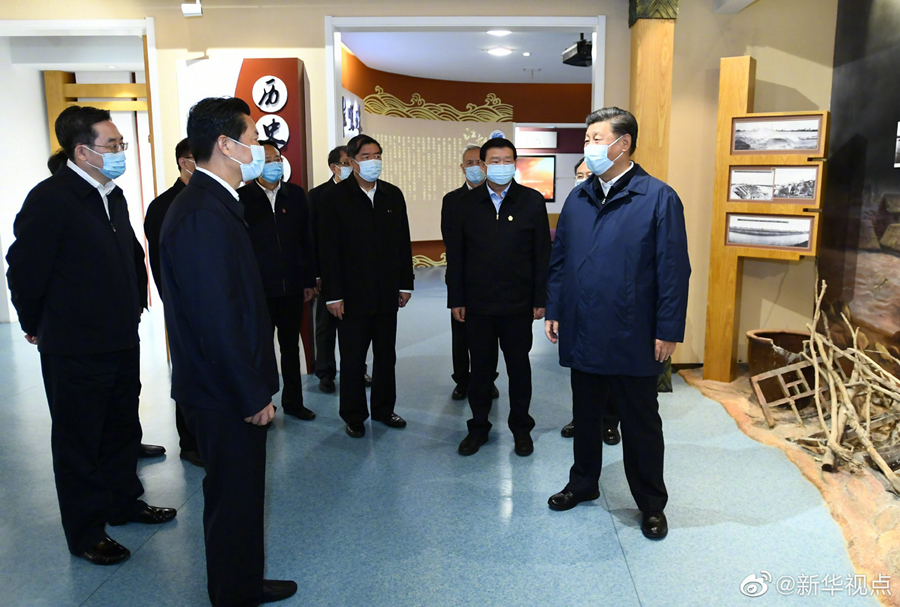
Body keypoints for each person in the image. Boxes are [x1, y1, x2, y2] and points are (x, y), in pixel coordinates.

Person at [6, 105, 176, 566]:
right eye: (113, 145)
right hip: (74, 345)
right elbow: (24, 270)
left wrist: (135, 302)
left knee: (121, 428)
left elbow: (127, 252)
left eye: (122, 144)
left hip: (119, 336)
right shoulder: (51, 199)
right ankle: (86, 532)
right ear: (82, 152)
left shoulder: (111, 195)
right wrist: (34, 323)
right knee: (79, 440)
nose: (121, 151)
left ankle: (123, 503)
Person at [159, 97, 296, 606]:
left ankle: (243, 581)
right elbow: (215, 318)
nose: (259, 149)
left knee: (242, 494)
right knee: (232, 495)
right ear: (225, 144)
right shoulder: (201, 213)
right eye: (253, 139)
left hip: (226, 384)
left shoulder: (216, 203)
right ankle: (233, 592)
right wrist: (249, 393)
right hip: (222, 390)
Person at [544, 107, 690, 541]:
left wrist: (668, 329)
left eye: (596, 138)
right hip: (584, 327)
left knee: (640, 422)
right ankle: (583, 483)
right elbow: (560, 260)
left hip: (634, 332)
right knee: (586, 415)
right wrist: (554, 308)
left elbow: (673, 270)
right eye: (587, 139)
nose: (589, 146)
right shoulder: (579, 198)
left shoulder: (658, 198)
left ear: (623, 144)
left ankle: (651, 503)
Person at [446, 137, 551, 457]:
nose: (501, 166)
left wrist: (541, 298)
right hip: (478, 304)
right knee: (480, 370)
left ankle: (521, 429)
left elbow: (541, 254)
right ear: (482, 165)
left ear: (515, 164)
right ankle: (478, 427)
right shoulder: (465, 203)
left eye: (507, 160)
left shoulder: (531, 201)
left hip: (518, 304)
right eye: (494, 161)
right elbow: (456, 255)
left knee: (519, 368)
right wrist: (456, 298)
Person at [318, 134, 414, 438]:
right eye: (367, 156)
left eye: (377, 155)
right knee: (353, 359)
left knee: (386, 356)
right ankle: (354, 415)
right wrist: (333, 295)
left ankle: (384, 409)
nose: (374, 161)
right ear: (351, 161)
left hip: (386, 292)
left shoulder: (392, 195)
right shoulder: (334, 198)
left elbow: (402, 242)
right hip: (351, 295)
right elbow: (328, 250)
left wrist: (405, 284)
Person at [239, 140, 316, 421]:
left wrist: (308, 280)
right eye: (268, 160)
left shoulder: (295, 195)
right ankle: (263, 405)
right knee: (260, 350)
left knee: (290, 348)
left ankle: (294, 402)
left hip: (292, 288)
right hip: (259, 291)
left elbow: (306, 239)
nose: (274, 164)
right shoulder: (243, 198)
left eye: (277, 159)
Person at [143, 137, 202, 467]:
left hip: (215, 304)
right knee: (188, 372)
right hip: (184, 307)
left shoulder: (215, 198)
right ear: (183, 161)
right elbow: (159, 264)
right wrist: (176, 304)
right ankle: (190, 442)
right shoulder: (163, 206)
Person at [558, 157, 620, 447]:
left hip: (612, 304)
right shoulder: (574, 204)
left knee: (611, 370)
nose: (583, 179)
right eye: (579, 175)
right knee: (581, 373)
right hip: (579, 305)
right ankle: (581, 419)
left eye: (587, 174)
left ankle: (609, 422)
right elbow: (560, 257)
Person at [307, 146, 371, 393]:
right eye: (346, 163)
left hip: (356, 276)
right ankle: (325, 372)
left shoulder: (362, 193)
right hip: (327, 274)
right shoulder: (317, 196)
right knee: (326, 326)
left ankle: (357, 369)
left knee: (357, 328)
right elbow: (312, 238)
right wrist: (316, 274)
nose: (351, 166)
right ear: (334, 168)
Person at [440, 143, 499, 402]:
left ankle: (487, 379)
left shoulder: (497, 197)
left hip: (492, 280)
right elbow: (451, 241)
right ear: (462, 168)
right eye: (470, 163)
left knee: (490, 335)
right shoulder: (452, 200)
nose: (475, 167)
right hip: (462, 278)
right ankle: (462, 381)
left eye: (479, 162)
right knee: (461, 333)